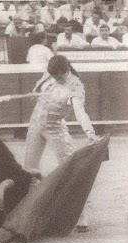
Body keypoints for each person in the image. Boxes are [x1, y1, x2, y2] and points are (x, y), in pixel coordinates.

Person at [25, 55, 98, 232]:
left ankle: (82, 217)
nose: (56, 78)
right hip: (35, 125)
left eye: (59, 76)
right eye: (53, 75)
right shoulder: (49, 74)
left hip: (55, 130)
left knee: (72, 170)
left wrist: (90, 132)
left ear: (66, 70)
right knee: (28, 170)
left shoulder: (75, 85)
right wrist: (34, 93)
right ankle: (28, 214)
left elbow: (80, 112)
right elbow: (37, 89)